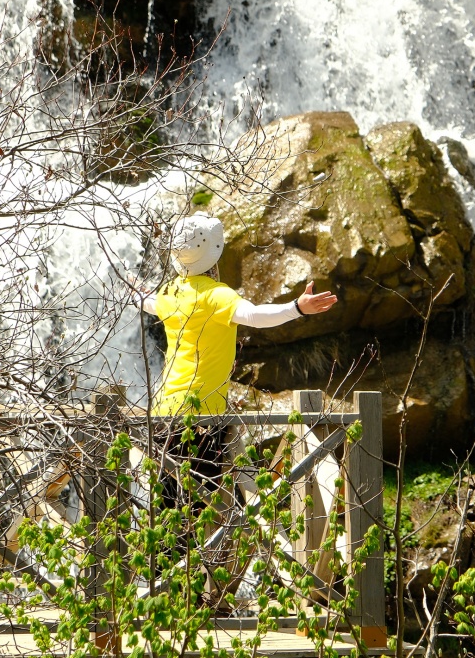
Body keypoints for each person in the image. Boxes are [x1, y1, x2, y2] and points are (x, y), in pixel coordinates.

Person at [136, 212, 338, 507]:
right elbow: (254, 315)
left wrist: (130, 286)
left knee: (170, 508)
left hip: (165, 411)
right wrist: (297, 307)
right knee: (199, 505)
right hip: (202, 415)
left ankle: (171, 554)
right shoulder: (215, 295)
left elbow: (147, 302)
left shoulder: (170, 291)